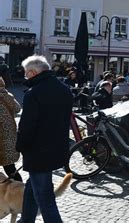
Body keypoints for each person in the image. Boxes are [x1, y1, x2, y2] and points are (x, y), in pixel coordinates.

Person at [16, 55, 73, 222]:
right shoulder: (64, 89)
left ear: (33, 73)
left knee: (45, 197)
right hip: (57, 148)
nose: (25, 77)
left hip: (38, 151)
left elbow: (27, 126)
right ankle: (26, 220)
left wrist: (20, 146)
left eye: (26, 74)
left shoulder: (34, 94)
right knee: (32, 188)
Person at [0, 77, 22, 182]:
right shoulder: (8, 96)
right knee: (10, 168)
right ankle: (21, 190)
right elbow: (18, 109)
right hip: (9, 138)